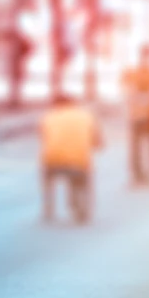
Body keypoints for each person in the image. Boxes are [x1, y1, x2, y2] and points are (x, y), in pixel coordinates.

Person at [39, 94, 101, 224]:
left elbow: (43, 137)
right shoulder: (86, 116)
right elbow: (97, 141)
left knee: (47, 172)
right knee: (82, 174)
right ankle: (81, 206)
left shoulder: (49, 116)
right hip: (79, 161)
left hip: (53, 161)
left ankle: (48, 207)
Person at [121, 43, 149, 185]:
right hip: (141, 113)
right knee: (140, 145)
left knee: (148, 144)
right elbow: (125, 85)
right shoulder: (139, 71)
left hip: (147, 113)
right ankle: (139, 172)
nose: (147, 59)